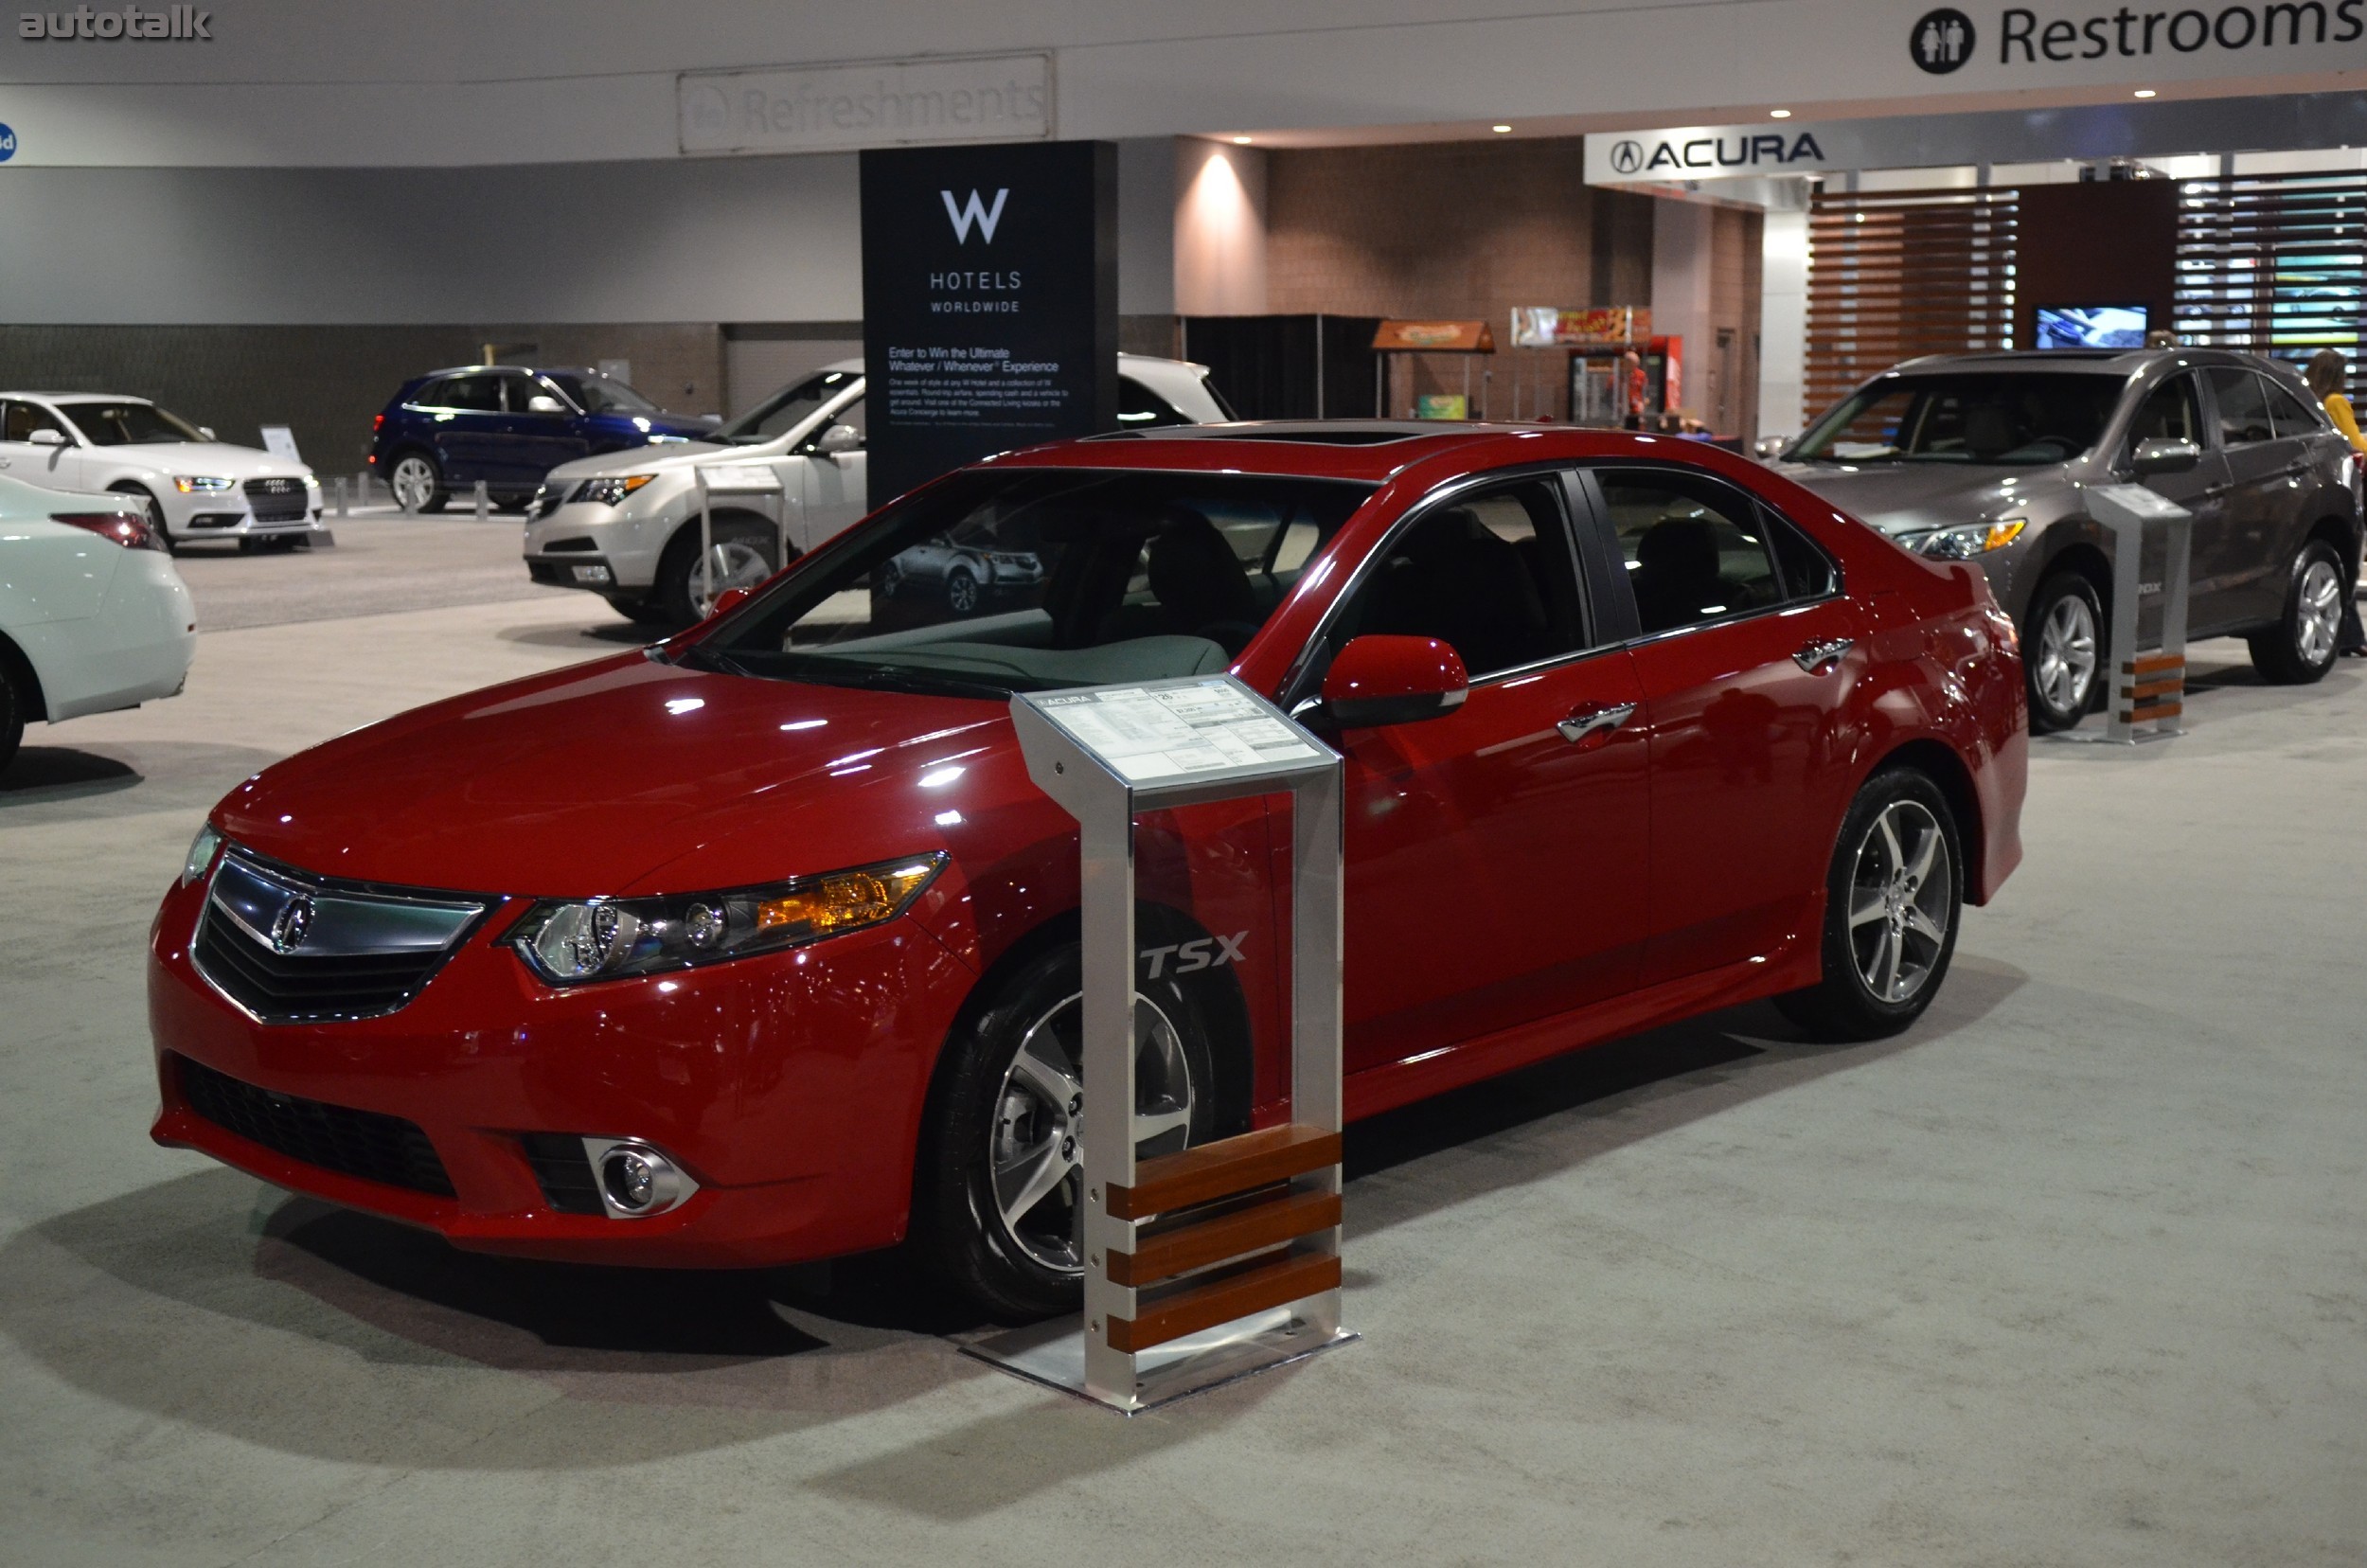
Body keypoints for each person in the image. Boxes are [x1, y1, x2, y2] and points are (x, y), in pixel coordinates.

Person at [2305, 348, 2367, 657]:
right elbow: (2356, 445)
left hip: (2315, 488)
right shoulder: (2336, 402)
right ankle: (2350, 637)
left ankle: (2348, 636)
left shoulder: (2307, 403)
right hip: (2345, 487)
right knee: (2346, 562)